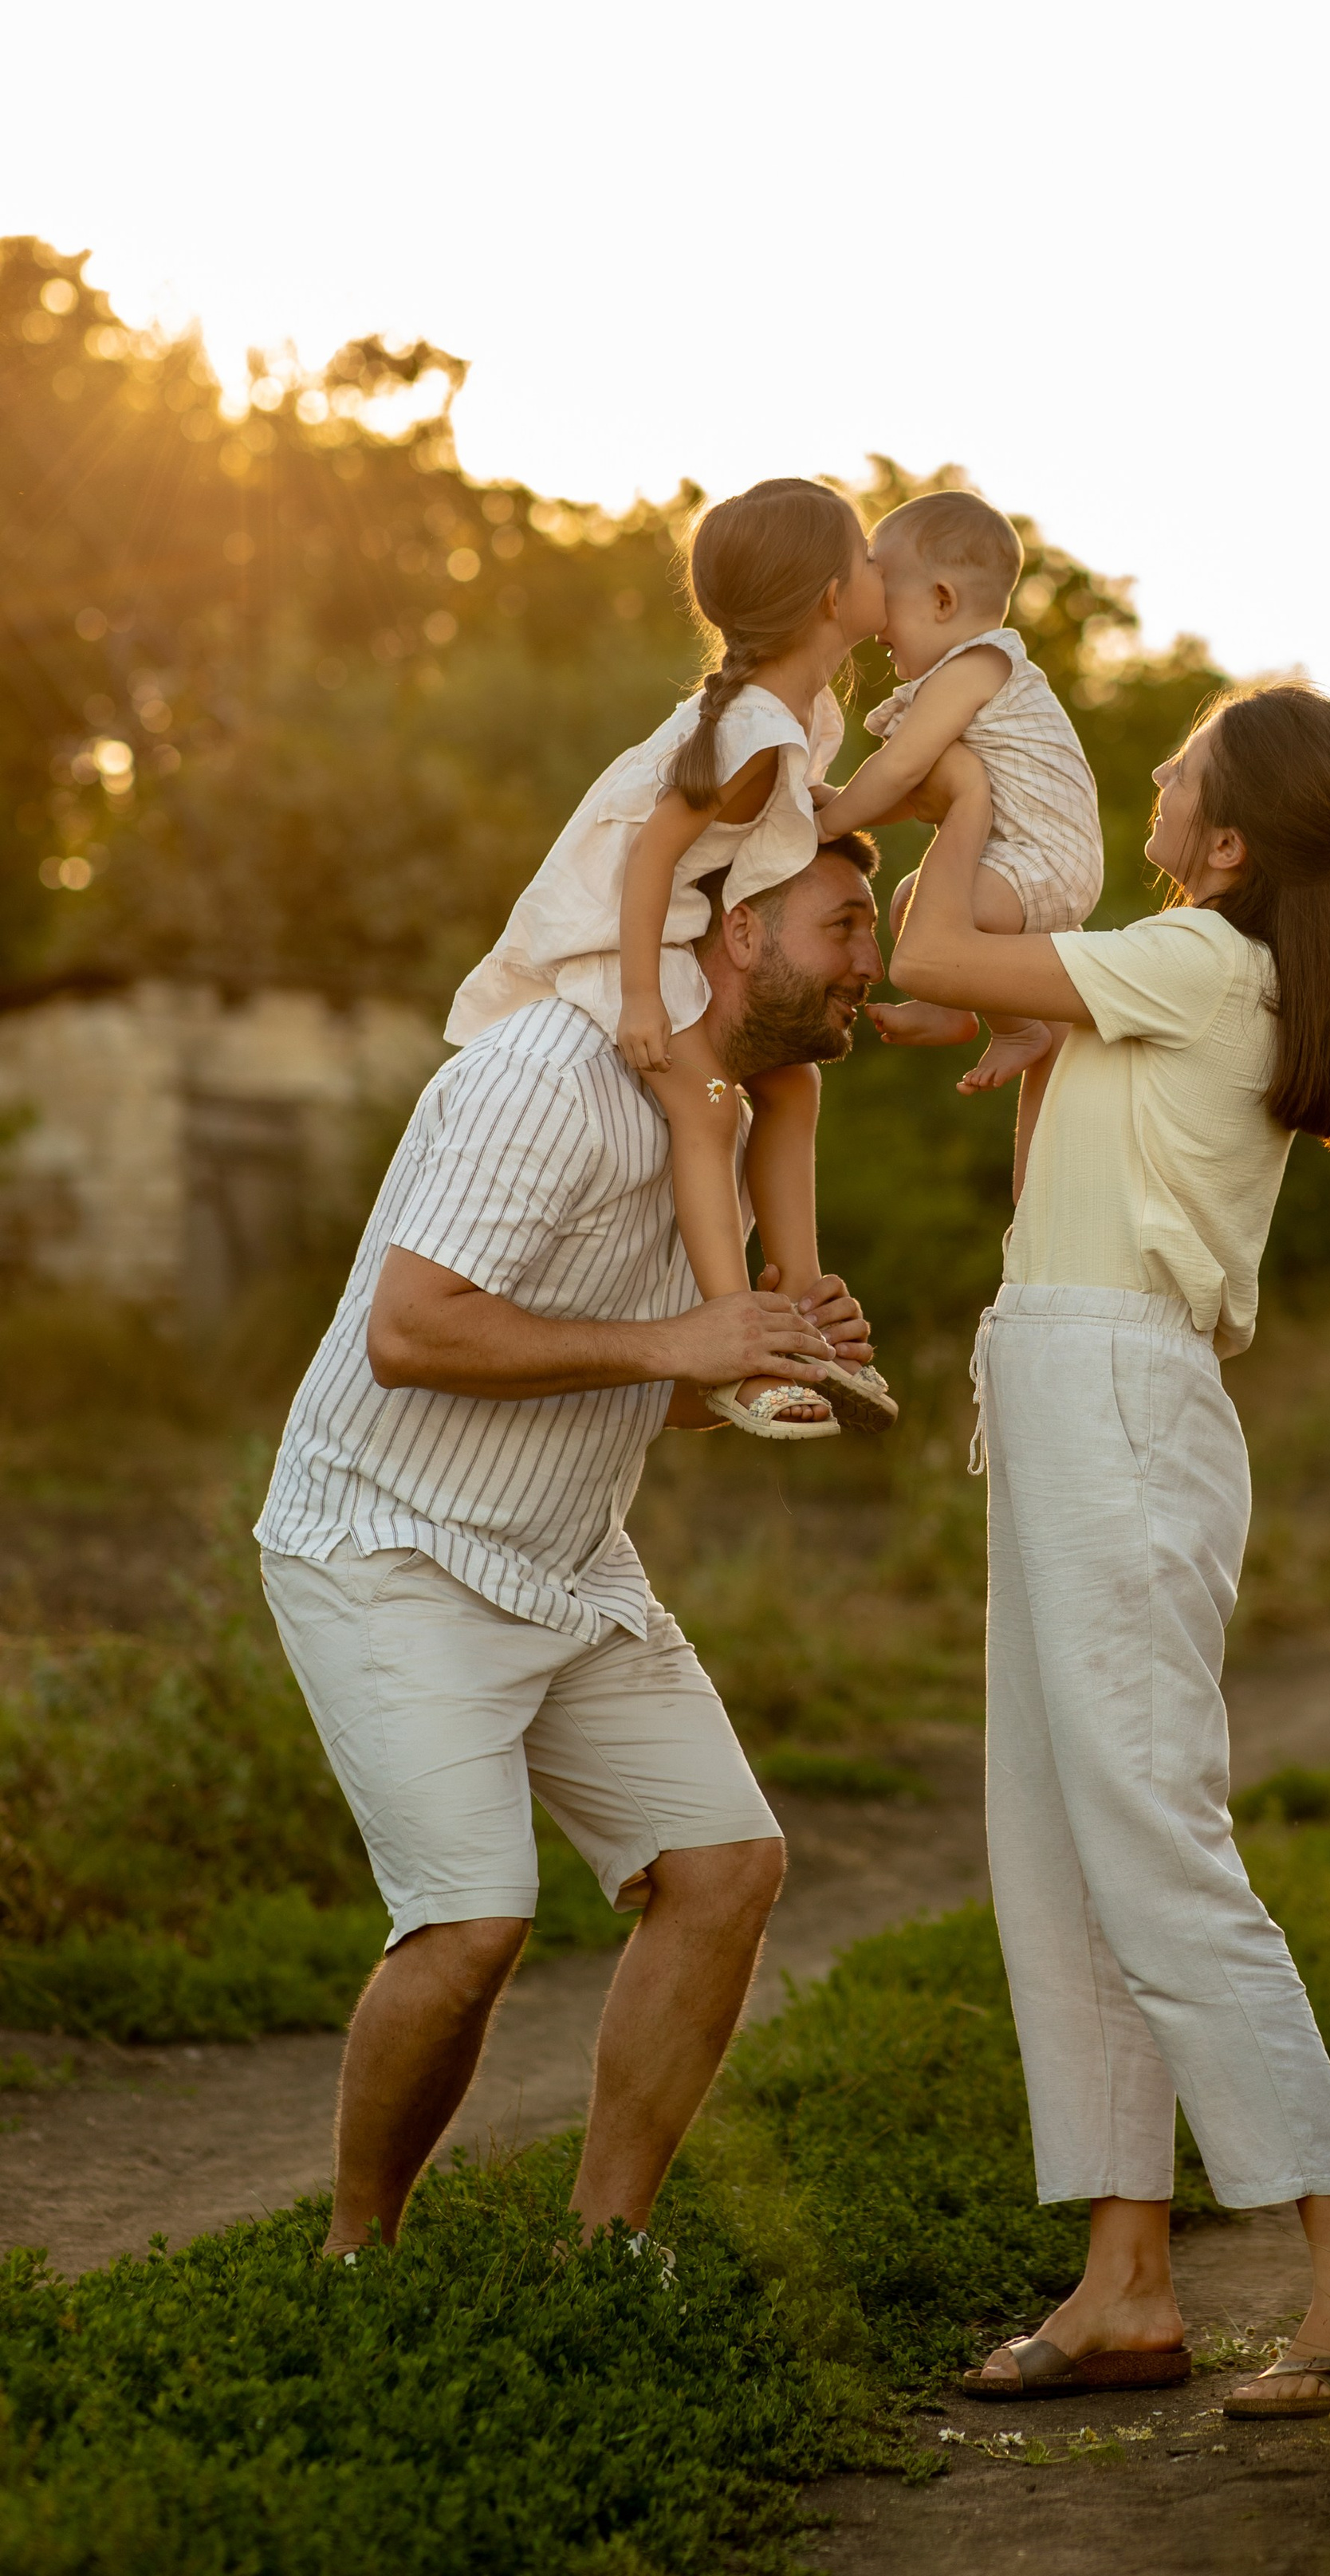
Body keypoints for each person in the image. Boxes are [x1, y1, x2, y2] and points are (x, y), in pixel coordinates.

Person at [890, 682, 1330, 2420]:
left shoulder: (1198, 959)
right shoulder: (1184, 975)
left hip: (1113, 1398)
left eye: (1180, 764)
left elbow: (928, 945)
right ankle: (1124, 2282)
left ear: (1223, 844)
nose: (1151, 771)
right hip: (1063, 1382)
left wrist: (959, 784)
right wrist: (1036, 1034)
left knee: (1148, 1840)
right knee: (1056, 1845)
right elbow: (1016, 1095)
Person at [255, 834, 884, 2257]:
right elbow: (411, 1332)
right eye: (846, 923)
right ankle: (355, 2267)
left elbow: (656, 1387)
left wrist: (763, 1363)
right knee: (472, 1925)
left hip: (569, 1558)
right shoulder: (548, 1071)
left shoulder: (724, 1103)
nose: (872, 960)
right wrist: (686, 1339)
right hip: (386, 1543)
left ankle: (604, 2252)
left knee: (726, 1868)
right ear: (738, 934)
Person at [446, 477, 895, 1442]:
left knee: (793, 1086)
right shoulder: (752, 730)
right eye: (866, 558)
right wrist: (645, 999)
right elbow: (649, 856)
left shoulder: (797, 716)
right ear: (828, 594)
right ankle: (739, 1343)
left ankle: (803, 1314)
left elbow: (802, 821)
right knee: (705, 1104)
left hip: (666, 923)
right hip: (615, 935)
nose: (882, 572)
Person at [816, 490, 1104, 1097]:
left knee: (924, 914)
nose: (876, 623)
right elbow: (914, 786)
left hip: (1043, 859)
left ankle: (1017, 1028)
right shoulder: (970, 676)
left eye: (884, 591)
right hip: (1033, 858)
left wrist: (828, 822)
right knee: (908, 900)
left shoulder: (973, 668)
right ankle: (957, 1004)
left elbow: (898, 768)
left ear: (941, 599)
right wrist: (842, 797)